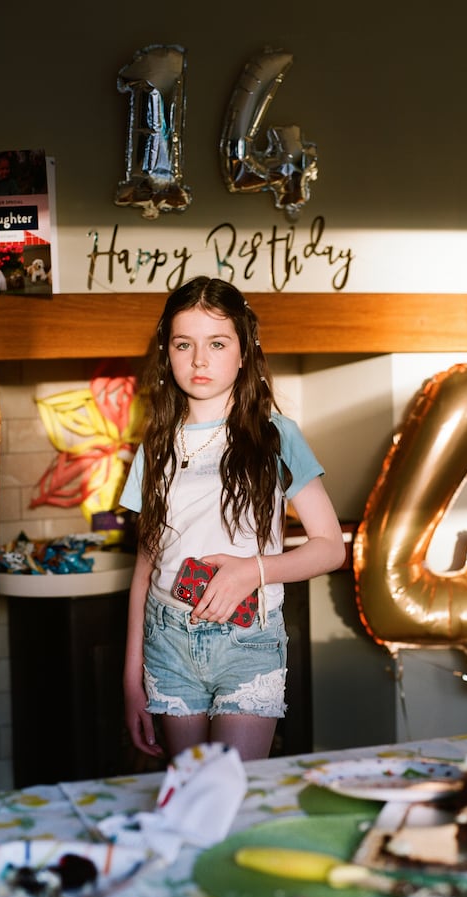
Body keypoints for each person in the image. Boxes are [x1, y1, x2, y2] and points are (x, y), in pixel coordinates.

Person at [120, 276, 346, 763]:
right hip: (168, 641)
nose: (200, 360)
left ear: (244, 353)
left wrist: (252, 570)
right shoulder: (155, 445)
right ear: (168, 353)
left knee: (234, 795)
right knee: (192, 798)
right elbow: (144, 571)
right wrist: (131, 680)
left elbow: (331, 547)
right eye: (185, 344)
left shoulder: (275, 435)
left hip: (249, 640)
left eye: (217, 343)